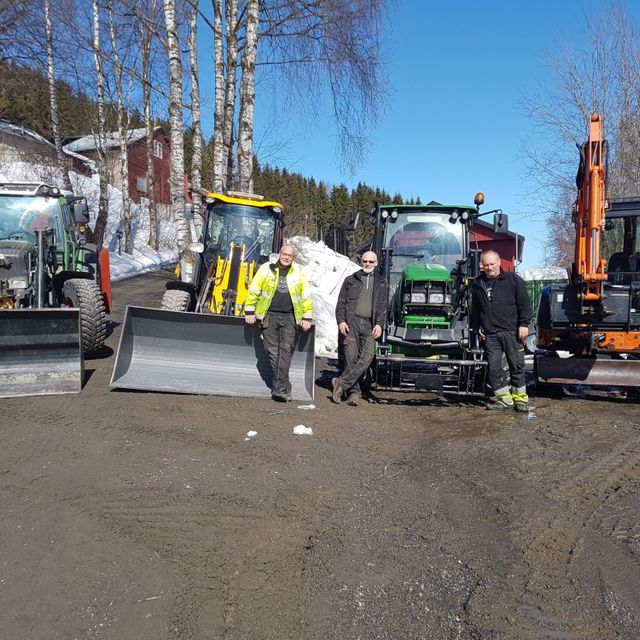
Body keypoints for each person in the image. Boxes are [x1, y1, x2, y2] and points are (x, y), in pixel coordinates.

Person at [244, 244, 313, 402]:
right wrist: (249, 311)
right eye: (285, 254)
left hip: (290, 317)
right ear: (279, 253)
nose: (287, 257)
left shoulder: (299, 272)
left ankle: (280, 389)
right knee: (273, 352)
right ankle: (283, 384)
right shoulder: (266, 269)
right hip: (269, 316)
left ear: (293, 257)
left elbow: (305, 296)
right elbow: (254, 289)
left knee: (286, 351)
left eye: (290, 255)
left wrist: (307, 317)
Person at [471, 250, 532, 412]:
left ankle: (520, 401)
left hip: (512, 331)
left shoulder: (513, 280)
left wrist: (524, 324)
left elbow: (524, 303)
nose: (489, 267)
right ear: (481, 266)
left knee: (516, 366)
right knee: (494, 368)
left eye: (492, 264)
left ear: (499, 263)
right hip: (491, 334)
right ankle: (504, 401)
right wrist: (477, 326)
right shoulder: (478, 284)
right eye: (486, 265)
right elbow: (476, 308)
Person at [331, 250, 388, 406]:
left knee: (367, 356)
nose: (367, 264)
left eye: (371, 262)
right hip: (352, 322)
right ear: (361, 262)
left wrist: (379, 324)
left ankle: (341, 383)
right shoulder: (351, 280)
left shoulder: (382, 282)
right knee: (351, 358)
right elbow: (341, 303)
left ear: (376, 263)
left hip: (370, 324)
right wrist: (341, 321)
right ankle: (354, 394)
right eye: (365, 261)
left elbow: (383, 305)